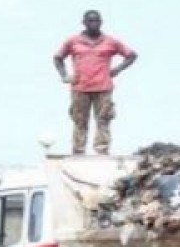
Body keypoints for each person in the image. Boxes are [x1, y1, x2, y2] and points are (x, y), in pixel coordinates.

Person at [54, 10, 137, 155]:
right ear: (84, 23)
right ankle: (78, 151)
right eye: (91, 21)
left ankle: (102, 150)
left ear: (101, 23)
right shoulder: (73, 41)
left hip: (103, 87)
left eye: (97, 21)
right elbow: (58, 58)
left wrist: (117, 69)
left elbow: (131, 55)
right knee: (79, 121)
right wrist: (64, 75)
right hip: (80, 87)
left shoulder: (111, 41)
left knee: (104, 119)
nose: (94, 24)